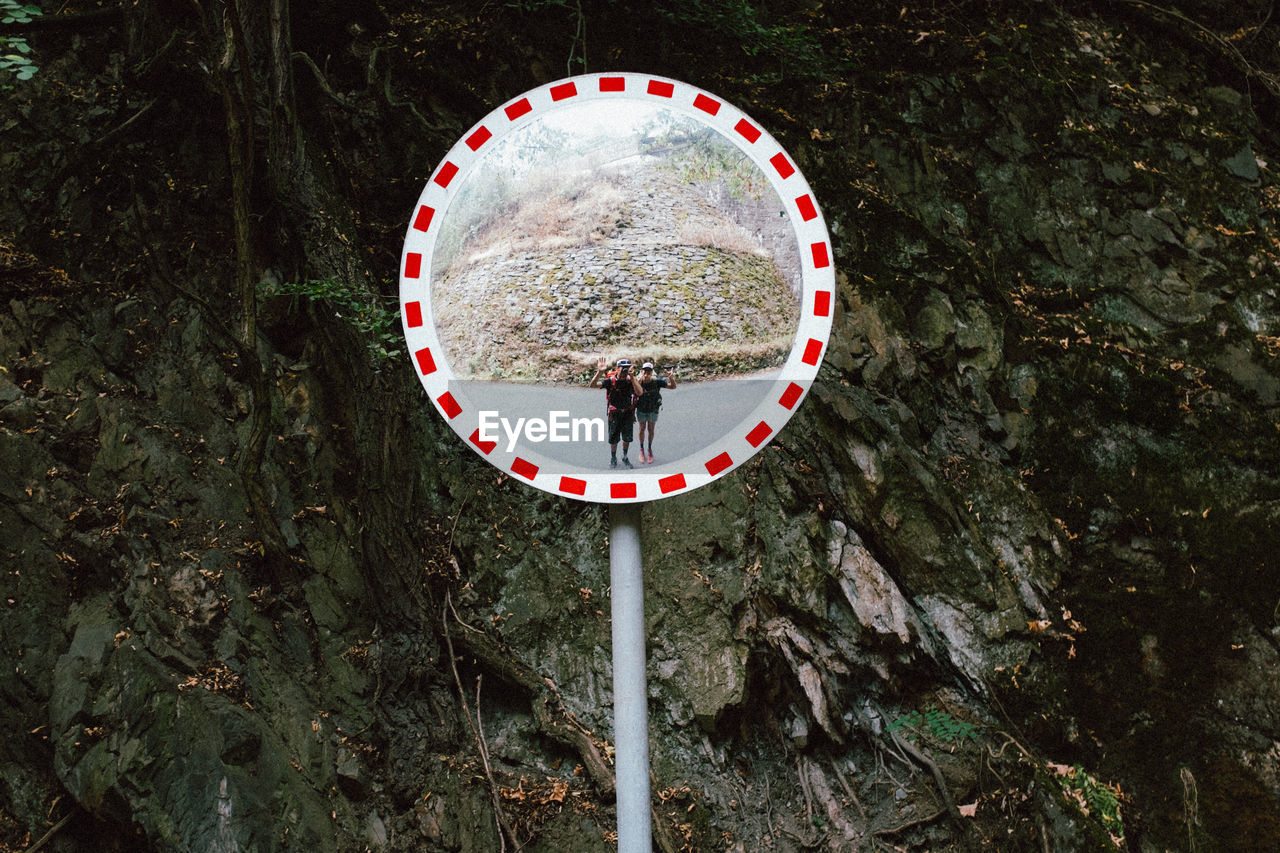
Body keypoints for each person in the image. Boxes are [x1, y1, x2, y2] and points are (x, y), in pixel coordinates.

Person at [589, 356, 638, 468]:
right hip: (614, 413)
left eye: (627, 368)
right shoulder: (610, 381)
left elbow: (639, 392)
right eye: (622, 368)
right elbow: (592, 385)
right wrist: (600, 372)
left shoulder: (631, 381)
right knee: (613, 438)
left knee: (627, 438)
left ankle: (625, 456)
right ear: (617, 368)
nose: (624, 370)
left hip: (627, 413)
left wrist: (633, 377)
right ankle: (613, 457)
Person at [632, 361, 676, 463]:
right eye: (645, 371)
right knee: (642, 429)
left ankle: (649, 449)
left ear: (652, 372)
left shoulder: (657, 381)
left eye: (649, 371)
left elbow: (672, 387)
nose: (647, 374)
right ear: (641, 371)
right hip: (641, 409)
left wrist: (671, 377)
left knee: (651, 430)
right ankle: (642, 449)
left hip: (653, 409)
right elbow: (632, 397)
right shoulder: (638, 383)